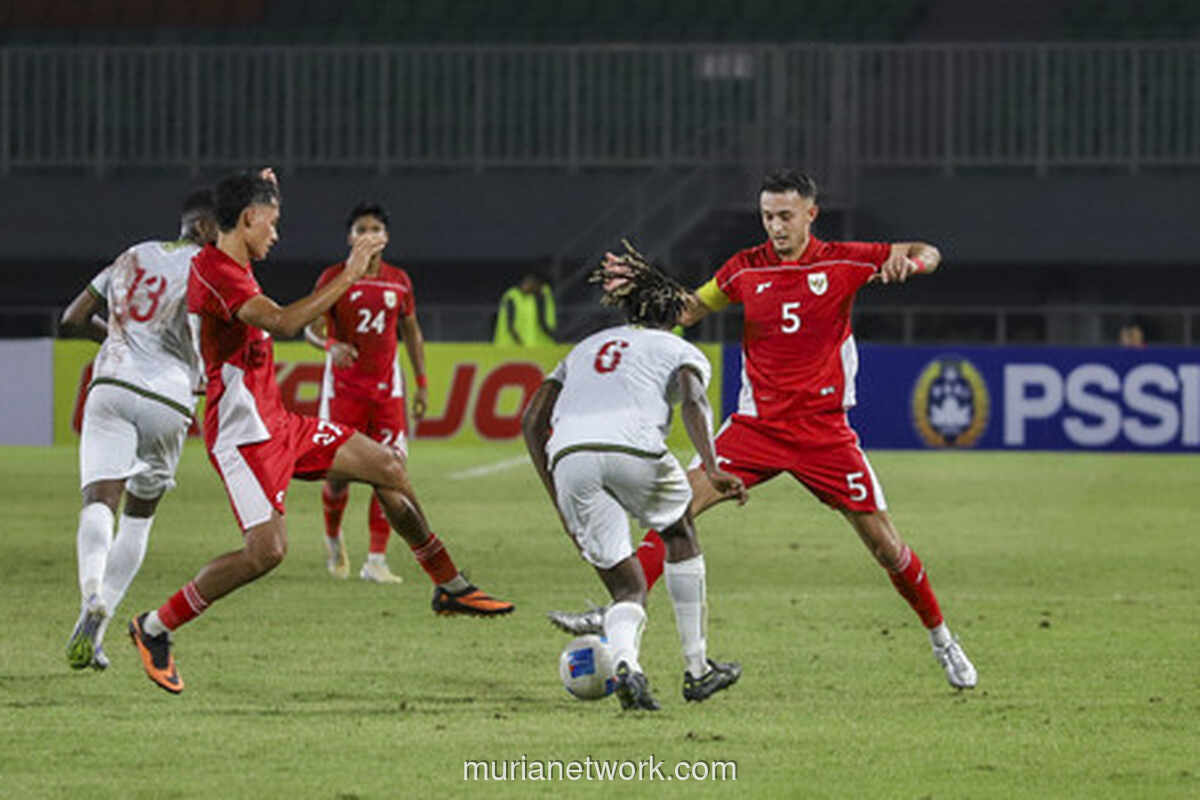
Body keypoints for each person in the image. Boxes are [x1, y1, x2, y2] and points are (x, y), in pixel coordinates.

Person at [549, 169, 978, 690]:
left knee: (886, 547)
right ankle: (619, 605)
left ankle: (942, 640)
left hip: (823, 431)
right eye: (768, 216)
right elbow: (688, 309)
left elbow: (928, 251)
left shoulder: (844, 259)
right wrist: (645, 291)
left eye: (785, 216)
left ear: (810, 215)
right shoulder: (742, 270)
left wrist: (907, 261)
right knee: (675, 511)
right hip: (757, 428)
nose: (775, 226)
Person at [128, 170, 513, 696]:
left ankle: (449, 585)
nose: (277, 234)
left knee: (389, 467)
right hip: (243, 438)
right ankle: (154, 627)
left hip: (282, 423)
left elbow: (255, 234)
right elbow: (284, 325)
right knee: (266, 552)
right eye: (273, 222)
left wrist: (267, 188)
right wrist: (351, 273)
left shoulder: (233, 259)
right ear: (246, 220)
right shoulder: (216, 271)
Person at [522, 245, 749, 710]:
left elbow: (531, 419)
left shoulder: (585, 348)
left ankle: (628, 665)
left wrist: (556, 496)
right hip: (633, 448)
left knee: (627, 587)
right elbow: (693, 401)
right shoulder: (679, 348)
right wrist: (711, 466)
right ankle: (697, 669)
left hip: (569, 459)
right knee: (680, 529)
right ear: (671, 311)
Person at [59, 188, 219, 672]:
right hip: (170, 398)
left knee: (98, 502)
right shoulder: (212, 270)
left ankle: (91, 594)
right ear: (207, 229)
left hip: (112, 383)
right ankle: (100, 628)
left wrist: (117, 336)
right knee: (139, 518)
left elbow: (71, 319)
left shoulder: (132, 255)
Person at [304, 202, 428, 584]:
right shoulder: (333, 276)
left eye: (375, 229)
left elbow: (411, 331)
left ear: (385, 238)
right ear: (350, 237)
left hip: (386, 392)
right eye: (361, 229)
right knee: (338, 476)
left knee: (389, 473)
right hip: (343, 391)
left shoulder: (398, 281)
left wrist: (421, 383)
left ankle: (376, 560)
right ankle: (332, 537)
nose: (368, 235)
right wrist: (330, 347)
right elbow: (308, 326)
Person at [493, 272, 557, 346]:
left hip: (515, 345)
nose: (532, 292)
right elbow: (510, 324)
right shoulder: (512, 297)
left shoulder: (523, 298)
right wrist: (521, 344)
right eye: (532, 288)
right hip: (508, 344)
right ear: (527, 284)